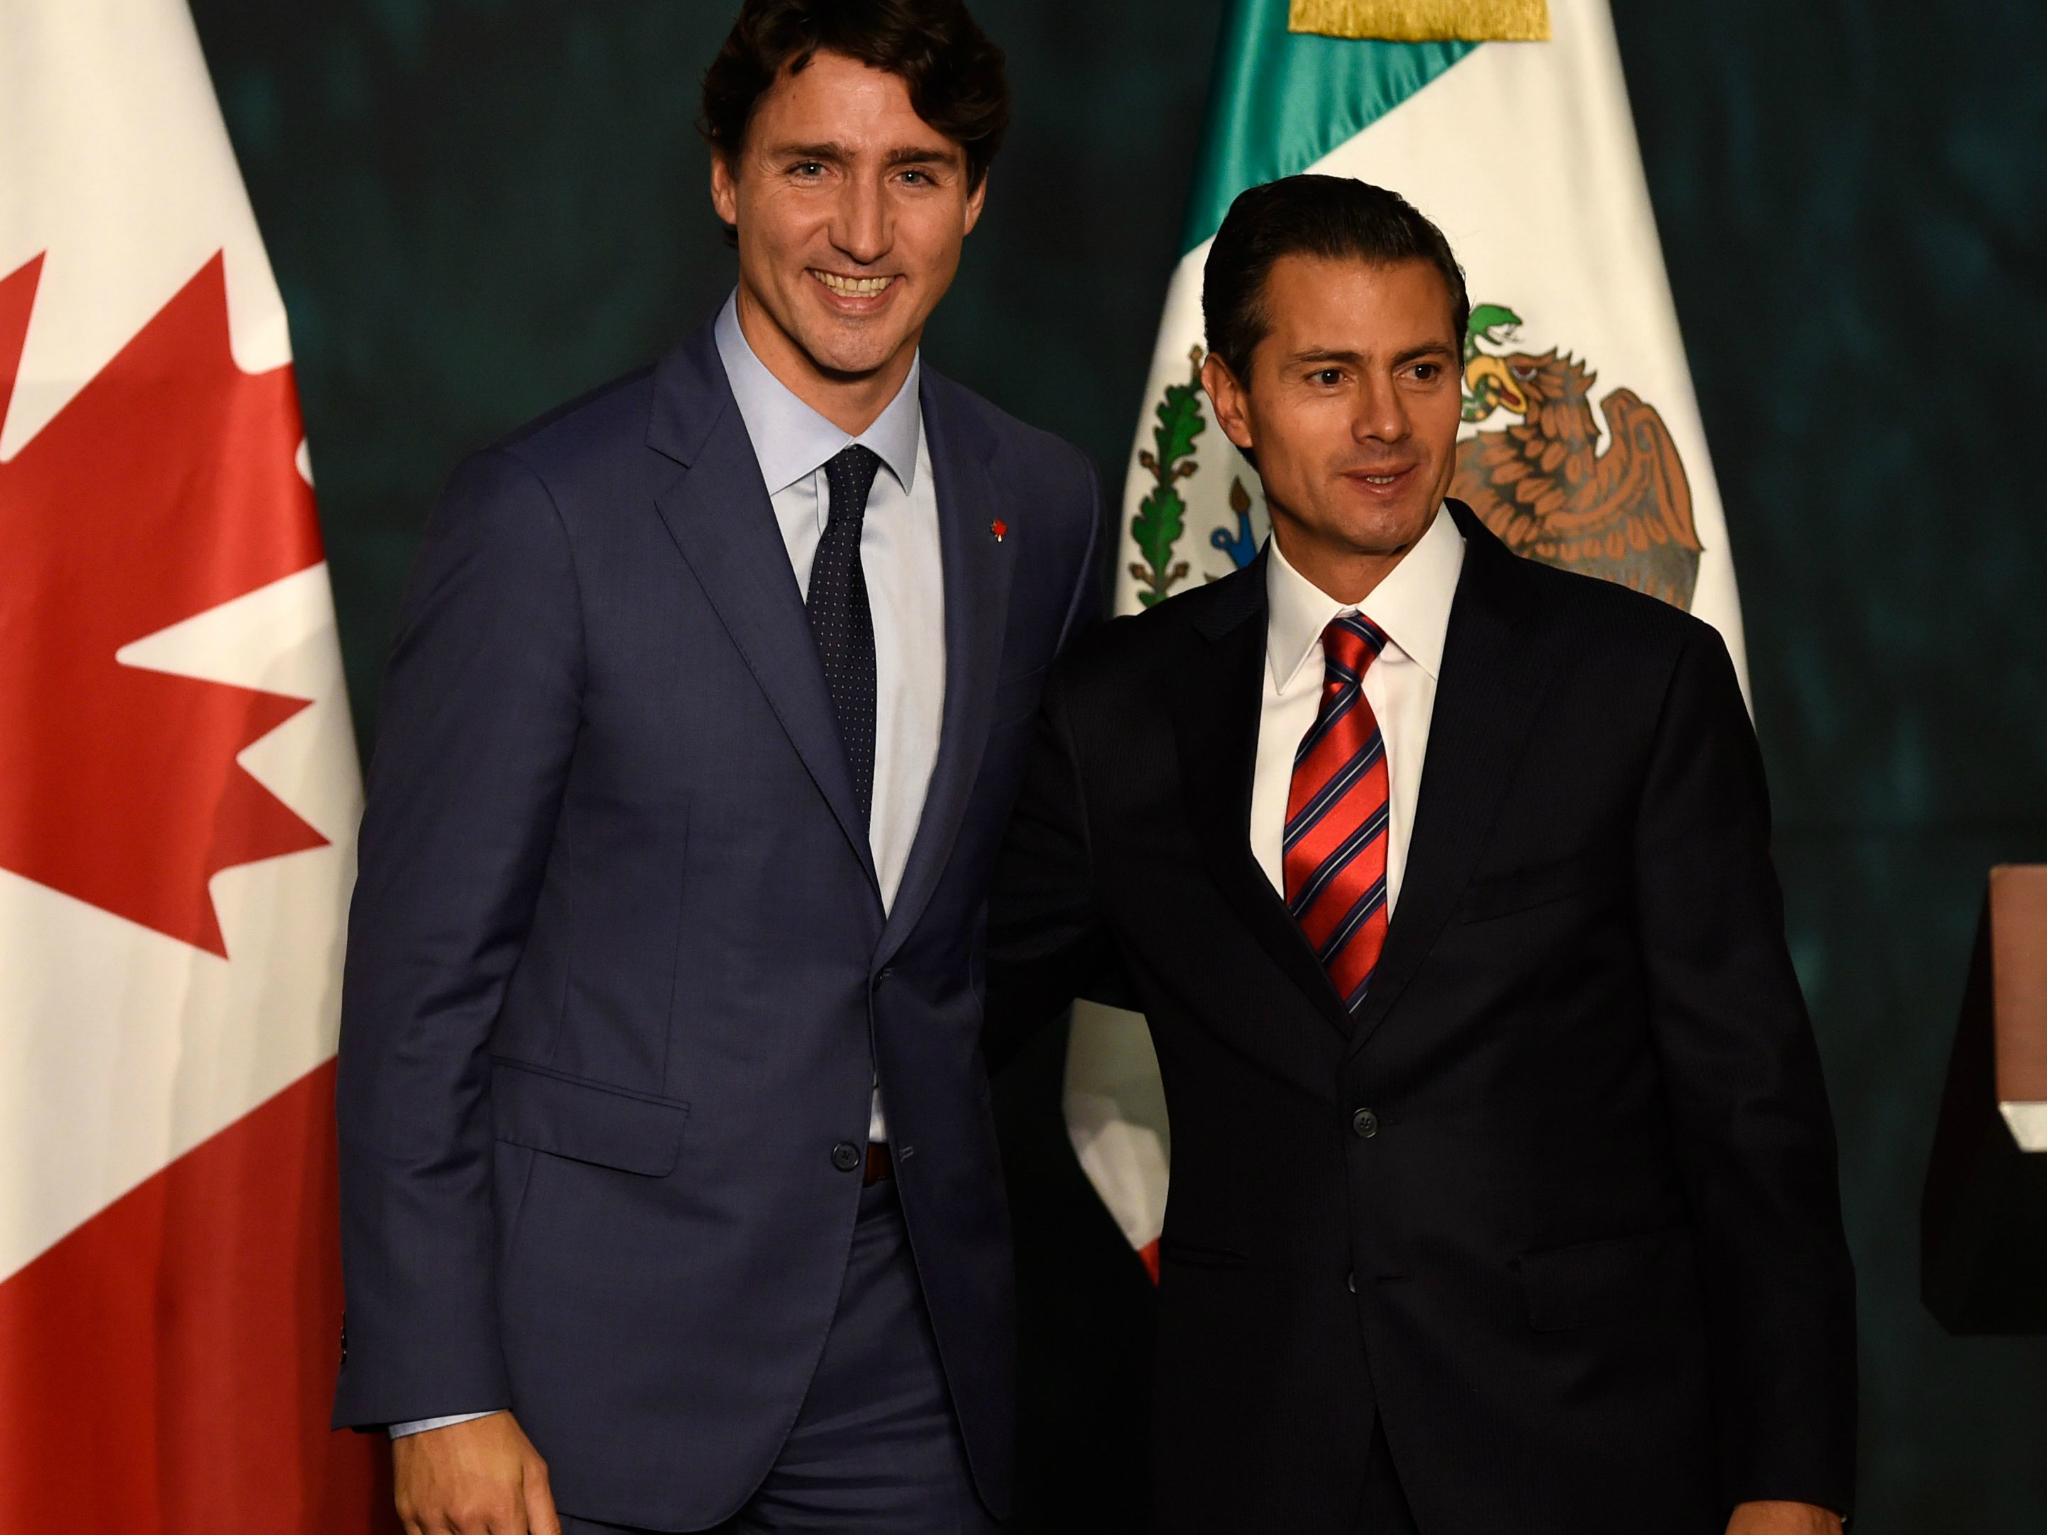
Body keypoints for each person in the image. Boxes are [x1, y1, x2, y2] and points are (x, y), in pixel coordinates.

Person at [987, 174, 1855, 1534]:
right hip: (1249, 1465)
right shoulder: (1117, 713)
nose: (1386, 423)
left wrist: (1793, 1478)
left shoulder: (1640, 685)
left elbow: (1754, 1118)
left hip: (1585, 1460)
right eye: (1327, 374)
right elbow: (942, 1002)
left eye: (1423, 369)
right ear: (1230, 399)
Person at [331, 2, 1102, 1529]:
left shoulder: (1041, 504)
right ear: (726, 181)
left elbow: (984, 932)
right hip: (583, 1370)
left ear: (977, 198)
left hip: (912, 1355)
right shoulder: (547, 514)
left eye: (920, 173)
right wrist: (442, 1387)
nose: (865, 231)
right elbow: (421, 990)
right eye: (813, 166)